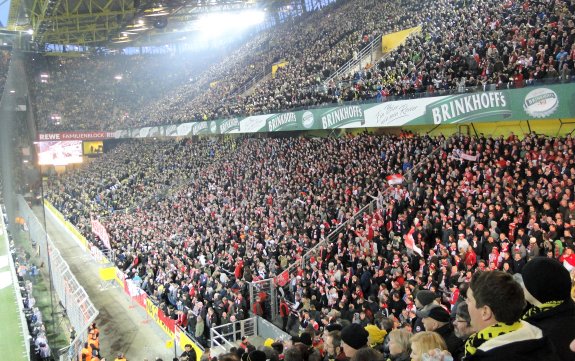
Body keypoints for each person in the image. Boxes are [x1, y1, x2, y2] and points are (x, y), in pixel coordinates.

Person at [465, 270, 560, 360]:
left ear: (485, 312)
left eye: (469, 299)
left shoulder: (484, 356)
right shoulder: (542, 338)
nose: (466, 302)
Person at [519, 257, 575, 361]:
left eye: (525, 281)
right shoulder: (566, 310)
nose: (522, 286)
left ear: (537, 287)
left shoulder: (541, 335)